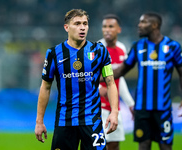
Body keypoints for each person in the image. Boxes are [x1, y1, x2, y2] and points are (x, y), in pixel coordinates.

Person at [35, 9, 119, 150]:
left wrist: (114, 112)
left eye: (85, 24)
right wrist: (39, 121)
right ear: (66, 27)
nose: (82, 27)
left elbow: (110, 83)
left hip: (92, 120)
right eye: (77, 23)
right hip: (64, 120)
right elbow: (45, 87)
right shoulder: (54, 54)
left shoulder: (99, 51)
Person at [112, 12, 182, 150]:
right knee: (143, 146)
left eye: (143, 22)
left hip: (163, 109)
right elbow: (121, 71)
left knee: (165, 146)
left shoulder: (172, 46)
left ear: (155, 25)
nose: (139, 25)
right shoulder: (138, 46)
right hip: (142, 109)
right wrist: (96, 76)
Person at [98, 14, 134, 150]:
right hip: (98, 106)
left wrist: (130, 103)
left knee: (114, 145)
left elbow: (120, 78)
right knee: (98, 145)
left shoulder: (122, 49)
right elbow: (87, 76)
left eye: (111, 26)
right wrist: (97, 89)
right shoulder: (96, 49)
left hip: (114, 107)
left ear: (119, 29)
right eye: (104, 27)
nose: (107, 30)